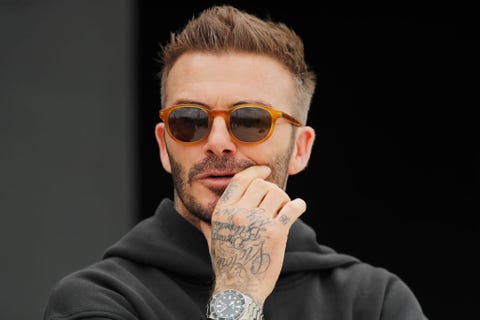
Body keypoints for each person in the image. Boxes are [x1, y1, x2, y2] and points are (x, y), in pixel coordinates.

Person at [44, 5, 427, 320]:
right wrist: (238, 293)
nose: (218, 143)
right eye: (190, 120)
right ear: (164, 145)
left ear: (300, 149)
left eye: (250, 121)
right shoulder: (96, 300)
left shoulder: (374, 302)